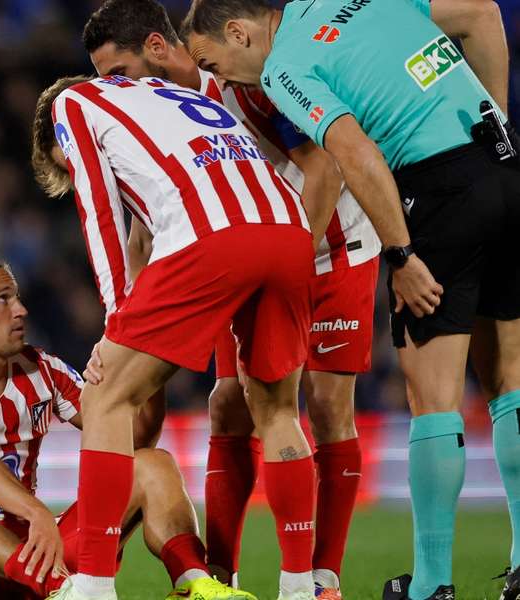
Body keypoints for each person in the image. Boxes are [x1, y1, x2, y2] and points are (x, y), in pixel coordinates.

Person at [179, 1, 520, 599]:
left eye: (215, 63)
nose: (220, 77)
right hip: (504, 168)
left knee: (433, 398)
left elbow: (352, 154)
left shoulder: (284, 68)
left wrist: (401, 255)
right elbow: (484, 15)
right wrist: (498, 128)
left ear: (239, 31)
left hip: (436, 190)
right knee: (508, 382)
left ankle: (431, 586)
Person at [80, 2, 381, 597]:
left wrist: (291, 269)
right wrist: (130, 335)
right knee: (228, 404)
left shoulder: (247, 80)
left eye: (118, 72)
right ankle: (220, 576)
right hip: (240, 254)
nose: (113, 88)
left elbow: (325, 170)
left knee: (324, 407)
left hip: (331, 244)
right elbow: (142, 232)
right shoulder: (159, 110)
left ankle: (321, 578)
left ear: (157, 48)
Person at [32, 72, 316, 600]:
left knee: (104, 396)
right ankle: (301, 587)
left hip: (210, 232)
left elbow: (99, 211)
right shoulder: (171, 96)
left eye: (65, 163)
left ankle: (93, 584)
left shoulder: (72, 102)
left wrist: (116, 317)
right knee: (277, 411)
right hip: (289, 226)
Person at [0, 251, 255, 600]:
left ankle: (193, 583)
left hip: (30, 553)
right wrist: (35, 510)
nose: (20, 310)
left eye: (17, 297)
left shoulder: (42, 370)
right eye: (3, 299)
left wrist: (143, 361)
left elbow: (134, 438)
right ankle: (63, 590)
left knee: (151, 464)